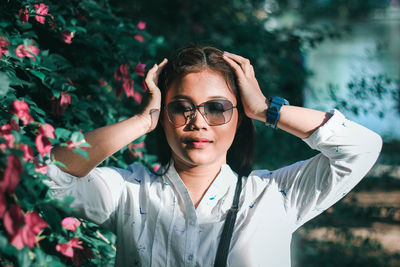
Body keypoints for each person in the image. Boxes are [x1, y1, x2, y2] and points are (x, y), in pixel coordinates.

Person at [46, 46, 382, 267]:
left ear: (240, 115)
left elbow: (361, 148)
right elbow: (49, 176)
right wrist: (140, 122)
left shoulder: (275, 195)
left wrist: (266, 109)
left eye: (217, 108)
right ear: (164, 114)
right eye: (181, 108)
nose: (199, 122)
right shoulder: (129, 192)